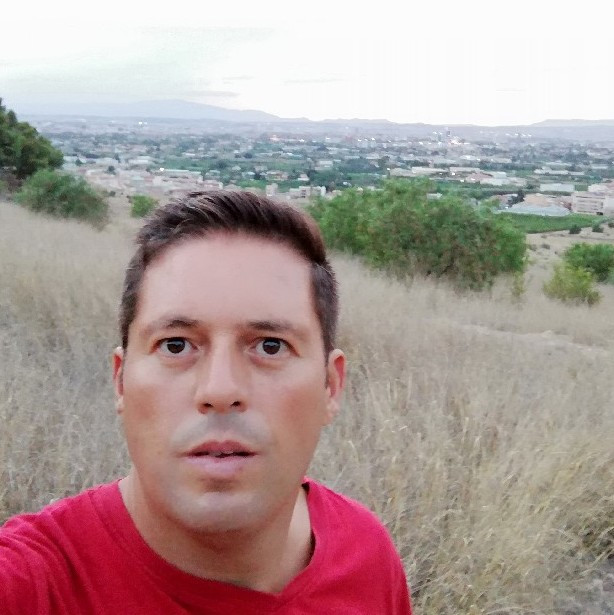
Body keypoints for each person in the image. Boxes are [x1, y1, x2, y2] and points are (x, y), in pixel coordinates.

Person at [0, 190, 412, 614]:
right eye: (175, 345)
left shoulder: (367, 554)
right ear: (121, 381)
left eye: (270, 346)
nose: (219, 391)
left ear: (330, 386)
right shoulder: (34, 585)